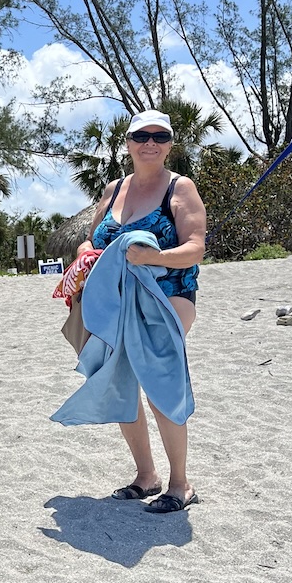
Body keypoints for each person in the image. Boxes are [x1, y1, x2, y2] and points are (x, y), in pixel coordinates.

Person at [65, 108, 207, 513]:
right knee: (120, 381)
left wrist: (152, 257)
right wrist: (85, 256)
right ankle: (146, 476)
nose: (150, 143)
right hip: (116, 301)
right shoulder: (113, 190)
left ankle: (180, 484)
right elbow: (90, 241)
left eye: (160, 137)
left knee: (160, 382)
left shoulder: (180, 188)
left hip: (169, 295)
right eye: (141, 136)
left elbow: (195, 248)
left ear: (170, 145)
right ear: (128, 143)